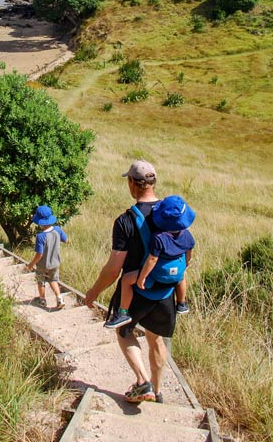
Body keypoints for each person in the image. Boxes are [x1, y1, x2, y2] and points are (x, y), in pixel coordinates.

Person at [84, 160, 180, 404]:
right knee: (156, 339)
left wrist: (94, 292)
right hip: (165, 289)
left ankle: (142, 381)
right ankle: (157, 392)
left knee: (124, 330)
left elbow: (114, 268)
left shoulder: (125, 221)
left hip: (135, 290)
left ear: (132, 184)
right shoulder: (172, 214)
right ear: (153, 183)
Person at [104, 194, 196, 329]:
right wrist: (185, 265)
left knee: (126, 280)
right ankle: (181, 303)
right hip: (176, 274)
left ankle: (123, 312)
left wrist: (142, 278)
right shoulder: (187, 236)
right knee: (181, 277)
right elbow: (189, 254)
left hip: (155, 275)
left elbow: (152, 260)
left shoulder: (158, 238)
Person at [26, 205, 68, 310]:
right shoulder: (57, 229)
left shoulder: (40, 236)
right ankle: (59, 299)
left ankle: (42, 300)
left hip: (42, 265)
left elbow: (39, 254)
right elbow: (66, 240)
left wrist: (31, 264)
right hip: (55, 263)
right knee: (53, 280)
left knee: (41, 281)